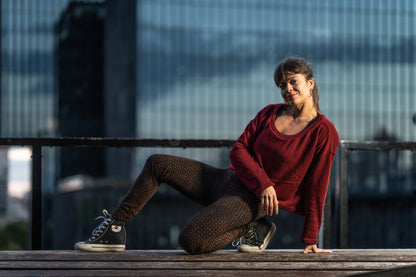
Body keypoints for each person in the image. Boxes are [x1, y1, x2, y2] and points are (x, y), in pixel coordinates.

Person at [74, 56, 339, 254]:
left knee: (191, 241)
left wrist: (311, 239)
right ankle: (115, 229)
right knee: (157, 164)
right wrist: (264, 182)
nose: (287, 89)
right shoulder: (270, 112)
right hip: (227, 180)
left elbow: (318, 185)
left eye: (293, 82)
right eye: (282, 85)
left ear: (310, 83)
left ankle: (253, 225)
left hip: (251, 201)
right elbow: (238, 150)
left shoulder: (323, 132)